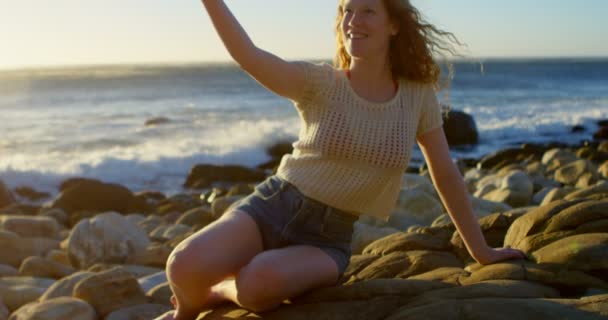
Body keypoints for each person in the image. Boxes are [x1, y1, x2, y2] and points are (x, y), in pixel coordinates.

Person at [156, 0, 527, 319]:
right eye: (348, 10)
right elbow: (249, 55)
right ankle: (187, 312)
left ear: (394, 25)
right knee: (182, 265)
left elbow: (444, 172)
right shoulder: (321, 82)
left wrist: (481, 249)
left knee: (255, 286)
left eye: (368, 11)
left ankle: (220, 291)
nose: (354, 20)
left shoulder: (417, 96)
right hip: (272, 205)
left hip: (326, 238)